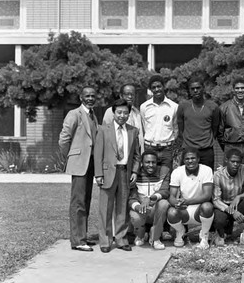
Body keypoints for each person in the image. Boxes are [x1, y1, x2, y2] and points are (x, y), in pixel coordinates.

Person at [94, 99, 141, 253]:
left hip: (124, 172)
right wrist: (98, 174)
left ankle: (121, 238)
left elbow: (136, 155)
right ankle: (105, 240)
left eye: (125, 113)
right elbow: (98, 154)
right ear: (113, 113)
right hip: (108, 173)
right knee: (105, 208)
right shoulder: (103, 130)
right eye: (119, 112)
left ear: (129, 114)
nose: (122, 115)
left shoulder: (133, 131)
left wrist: (134, 171)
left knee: (122, 208)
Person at [58, 86, 99, 252]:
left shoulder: (93, 115)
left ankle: (82, 237)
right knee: (78, 202)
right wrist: (70, 158)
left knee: (86, 200)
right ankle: (77, 240)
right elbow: (63, 139)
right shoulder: (74, 114)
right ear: (81, 97)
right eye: (87, 95)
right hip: (79, 164)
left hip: (90, 164)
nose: (90, 98)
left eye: (92, 96)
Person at [213, 149, 244, 247]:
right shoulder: (218, 175)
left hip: (238, 203)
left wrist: (240, 196)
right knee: (219, 219)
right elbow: (216, 200)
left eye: (238, 162)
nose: (235, 164)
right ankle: (221, 234)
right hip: (224, 206)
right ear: (226, 161)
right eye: (233, 161)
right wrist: (232, 211)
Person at [167, 148, 214, 249]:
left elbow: (207, 196)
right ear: (183, 160)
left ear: (198, 159)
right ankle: (181, 232)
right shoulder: (177, 172)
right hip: (184, 210)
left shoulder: (206, 170)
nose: (190, 161)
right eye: (187, 159)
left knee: (208, 207)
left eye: (193, 158)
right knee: (171, 212)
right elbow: (171, 196)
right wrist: (176, 203)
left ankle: (204, 235)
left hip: (199, 209)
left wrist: (187, 201)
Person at [128, 150, 171, 250]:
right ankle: (140, 234)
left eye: (153, 162)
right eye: (147, 162)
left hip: (155, 209)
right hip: (140, 209)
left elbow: (165, 191)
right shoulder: (135, 175)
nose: (150, 165)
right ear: (142, 163)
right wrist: (138, 207)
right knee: (135, 217)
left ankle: (155, 238)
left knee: (164, 203)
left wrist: (150, 199)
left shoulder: (163, 172)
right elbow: (131, 198)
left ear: (157, 162)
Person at [177, 76, 220, 170]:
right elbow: (181, 129)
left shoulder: (213, 107)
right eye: (192, 89)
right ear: (189, 90)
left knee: (207, 179)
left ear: (203, 88)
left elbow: (215, 128)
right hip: (188, 150)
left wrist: (206, 141)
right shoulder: (183, 106)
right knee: (187, 180)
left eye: (198, 88)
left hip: (206, 151)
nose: (195, 90)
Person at [217, 77, 244, 166]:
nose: (240, 90)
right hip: (231, 147)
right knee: (230, 177)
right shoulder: (224, 108)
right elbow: (219, 132)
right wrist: (227, 146)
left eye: (242, 88)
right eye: (237, 88)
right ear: (233, 90)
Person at [140, 74, 178, 169]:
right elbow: (144, 127)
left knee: (165, 178)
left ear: (163, 87)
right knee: (151, 178)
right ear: (151, 90)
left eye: (159, 86)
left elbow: (176, 129)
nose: (157, 89)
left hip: (167, 149)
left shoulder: (173, 107)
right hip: (150, 148)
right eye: (154, 87)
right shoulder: (144, 107)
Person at [102, 83, 144, 153]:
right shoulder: (111, 111)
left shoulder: (137, 113)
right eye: (127, 94)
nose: (130, 97)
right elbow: (105, 133)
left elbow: (140, 136)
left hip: (134, 152)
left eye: (132, 94)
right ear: (121, 96)